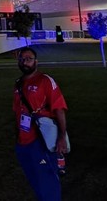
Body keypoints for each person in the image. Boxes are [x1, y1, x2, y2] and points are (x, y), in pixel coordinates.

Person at [13, 46, 67, 201]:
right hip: (22, 143)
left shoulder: (45, 80)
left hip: (41, 140)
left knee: (48, 183)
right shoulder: (18, 84)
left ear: (36, 61)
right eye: (22, 59)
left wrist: (62, 137)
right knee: (35, 182)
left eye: (29, 59)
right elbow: (17, 113)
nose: (25, 62)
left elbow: (59, 109)